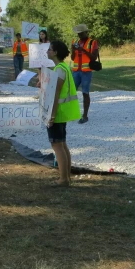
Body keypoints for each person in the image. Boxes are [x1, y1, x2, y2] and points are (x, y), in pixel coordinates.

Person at [45, 40, 81, 186]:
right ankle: (66, 176)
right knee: (62, 144)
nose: (47, 51)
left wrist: (51, 116)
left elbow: (55, 94)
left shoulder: (59, 70)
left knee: (57, 145)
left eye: (50, 49)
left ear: (55, 52)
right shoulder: (62, 67)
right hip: (62, 112)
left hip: (58, 112)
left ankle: (64, 179)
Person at [71, 24, 99, 124]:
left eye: (81, 33)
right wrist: (73, 49)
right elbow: (72, 58)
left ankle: (85, 115)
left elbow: (93, 58)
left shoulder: (92, 42)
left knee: (85, 93)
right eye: (78, 33)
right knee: (71, 91)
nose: (79, 35)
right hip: (76, 71)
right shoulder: (75, 42)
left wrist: (83, 50)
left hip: (86, 72)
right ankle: (71, 112)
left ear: (86, 32)